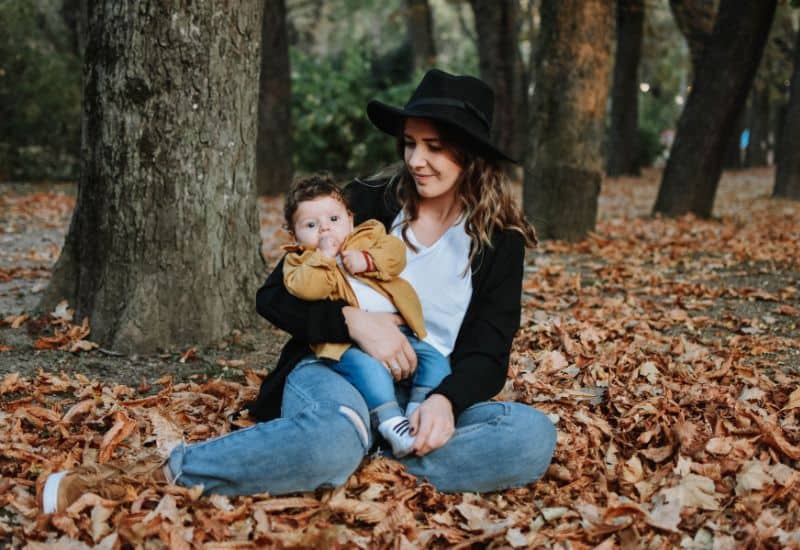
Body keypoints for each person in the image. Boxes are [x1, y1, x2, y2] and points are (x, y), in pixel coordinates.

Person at [40, 68, 557, 513]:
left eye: (435, 147)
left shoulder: (498, 242)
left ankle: (360, 459)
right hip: (338, 369)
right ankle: (154, 476)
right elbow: (275, 295)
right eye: (410, 143)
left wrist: (445, 402)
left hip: (427, 387)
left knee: (531, 437)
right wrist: (353, 323)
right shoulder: (366, 202)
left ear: (471, 155)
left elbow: (489, 351)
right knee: (331, 439)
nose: (416, 159)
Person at [280, 173, 451, 457]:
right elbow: (306, 289)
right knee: (370, 373)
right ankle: (390, 422)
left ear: (350, 218)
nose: (325, 230)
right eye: (311, 225)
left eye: (334, 220)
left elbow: (396, 254)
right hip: (347, 344)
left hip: (401, 331)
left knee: (435, 360)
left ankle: (418, 409)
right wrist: (323, 258)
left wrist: (367, 260)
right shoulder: (301, 262)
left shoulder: (369, 235)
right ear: (294, 234)